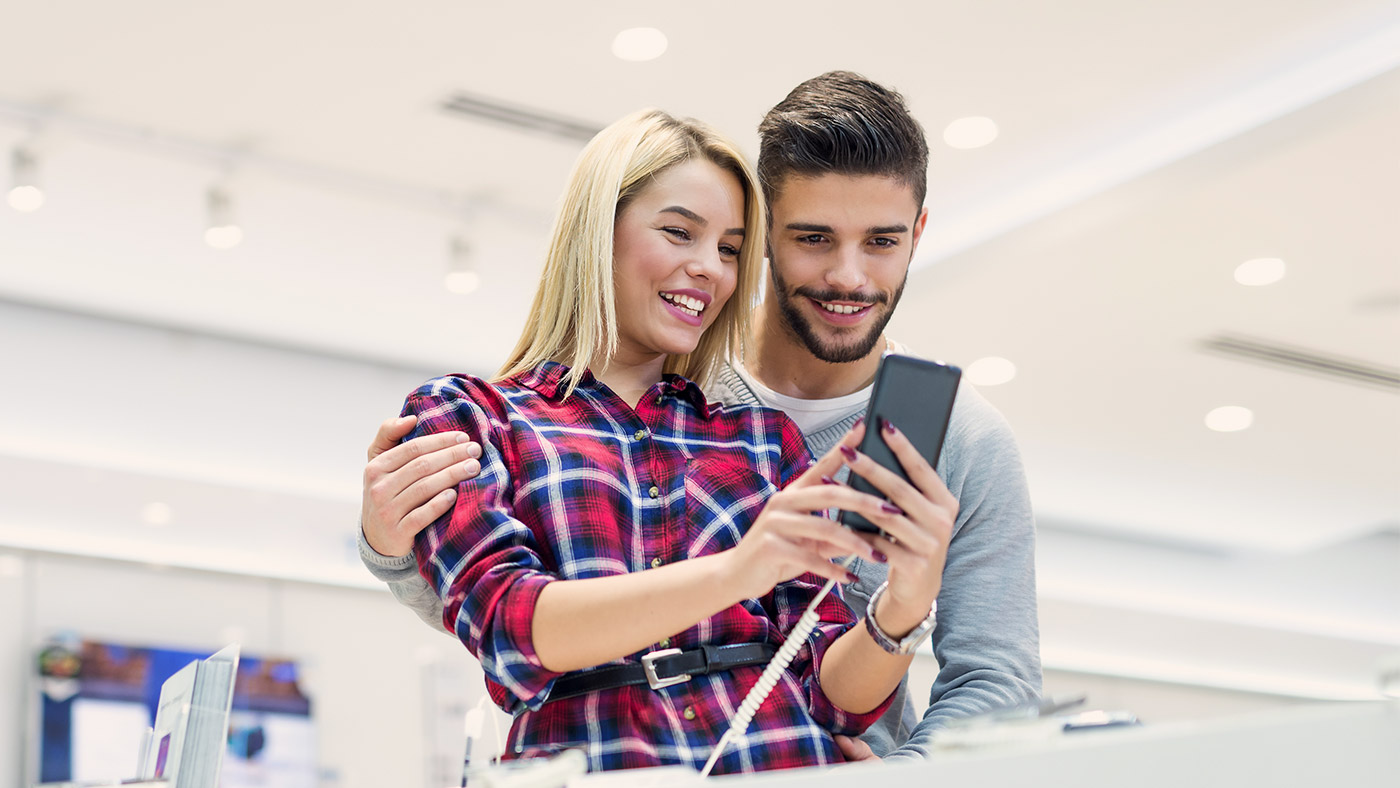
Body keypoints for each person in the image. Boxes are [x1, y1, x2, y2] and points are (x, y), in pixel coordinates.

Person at [361, 72, 1041, 763]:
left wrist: (904, 616)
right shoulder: (486, 416)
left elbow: (896, 684)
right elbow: (499, 623)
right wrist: (390, 548)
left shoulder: (776, 439)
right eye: (812, 238)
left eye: (725, 248)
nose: (849, 276)